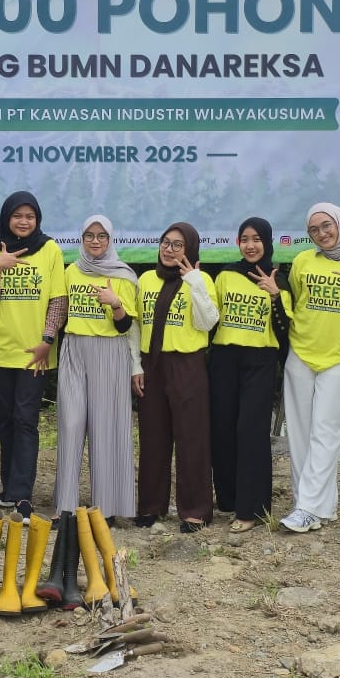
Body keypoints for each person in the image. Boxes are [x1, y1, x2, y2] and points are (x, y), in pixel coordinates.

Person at [280, 202, 340, 533]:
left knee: (327, 430)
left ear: (339, 224)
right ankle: (315, 505)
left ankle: (308, 507)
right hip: (302, 352)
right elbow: (297, 302)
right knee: (299, 431)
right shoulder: (302, 261)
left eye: (327, 226)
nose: (322, 233)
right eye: (314, 229)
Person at [0, 191, 67, 524]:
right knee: (5, 420)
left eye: (30, 216)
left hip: (36, 353)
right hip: (1, 349)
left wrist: (47, 339)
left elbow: (58, 299)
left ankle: (23, 497)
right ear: (7, 217)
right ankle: (9, 489)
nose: (24, 221)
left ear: (38, 219)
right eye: (18, 215)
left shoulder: (50, 249)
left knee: (26, 420)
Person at [54, 214, 141, 519]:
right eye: (89, 235)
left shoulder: (123, 276)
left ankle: (107, 507)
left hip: (109, 352)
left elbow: (127, 327)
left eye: (101, 236)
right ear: (82, 239)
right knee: (70, 423)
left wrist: (115, 303)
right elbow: (59, 310)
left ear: (110, 240)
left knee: (107, 427)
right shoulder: (70, 271)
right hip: (74, 349)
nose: (95, 241)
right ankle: (64, 506)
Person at [135, 222, 219, 532]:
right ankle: (151, 506)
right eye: (165, 243)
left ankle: (195, 509)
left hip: (187, 364)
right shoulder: (145, 279)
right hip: (151, 365)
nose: (169, 250)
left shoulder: (201, 279)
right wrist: (136, 366)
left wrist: (194, 281)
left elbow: (207, 322)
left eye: (178, 245)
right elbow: (135, 326)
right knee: (153, 436)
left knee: (192, 437)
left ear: (191, 250)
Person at [209, 217, 291, 533]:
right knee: (223, 429)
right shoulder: (226, 275)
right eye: (245, 239)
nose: (251, 245)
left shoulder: (279, 279)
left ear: (267, 242)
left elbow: (286, 331)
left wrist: (274, 295)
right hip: (224, 358)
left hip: (260, 360)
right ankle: (229, 500)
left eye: (257, 239)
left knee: (251, 432)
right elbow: (210, 316)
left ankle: (252, 510)